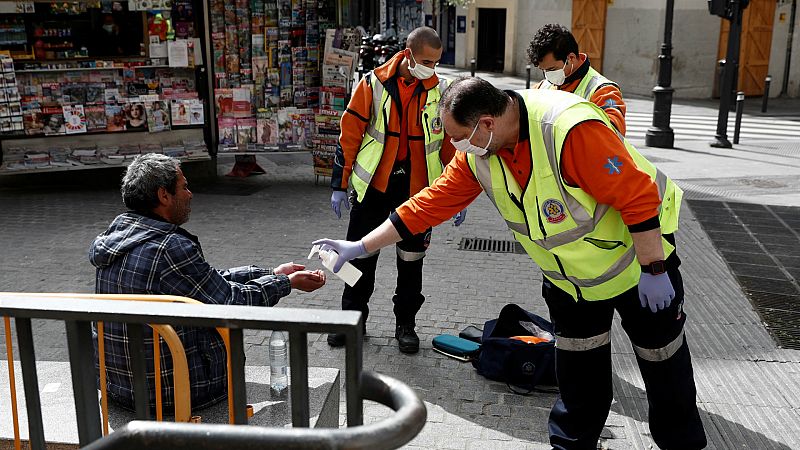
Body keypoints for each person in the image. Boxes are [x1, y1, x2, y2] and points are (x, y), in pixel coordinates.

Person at [314, 77, 707, 450]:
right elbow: (429, 204)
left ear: (486, 123)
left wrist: (654, 269)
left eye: (458, 137)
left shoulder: (568, 130)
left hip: (638, 267)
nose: (455, 146)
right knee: (578, 376)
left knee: (662, 363)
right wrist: (361, 245)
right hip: (571, 281)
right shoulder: (479, 154)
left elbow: (637, 195)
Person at [89, 153, 325, 411]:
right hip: (170, 394)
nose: (190, 194)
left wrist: (272, 273)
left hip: (121, 388)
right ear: (164, 195)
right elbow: (231, 302)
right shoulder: (170, 248)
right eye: (184, 187)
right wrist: (287, 283)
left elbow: (205, 282)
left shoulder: (119, 234)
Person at [327, 26, 464, 354]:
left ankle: (406, 325)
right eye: (427, 62)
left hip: (418, 192)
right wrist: (338, 184)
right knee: (358, 257)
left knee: (411, 261)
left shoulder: (441, 91)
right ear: (408, 54)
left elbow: (451, 144)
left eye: (436, 62)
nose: (432, 69)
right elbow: (350, 134)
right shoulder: (373, 84)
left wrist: (457, 195)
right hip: (375, 186)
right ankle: (351, 321)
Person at [528, 24, 627, 135]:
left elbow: (613, 133)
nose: (548, 75)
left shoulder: (603, 91)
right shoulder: (542, 87)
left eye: (552, 69)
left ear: (571, 58)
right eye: (544, 70)